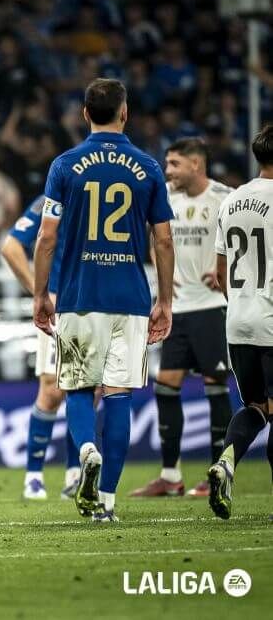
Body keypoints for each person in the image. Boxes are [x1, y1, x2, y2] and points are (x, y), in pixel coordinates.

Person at [32, 78, 175, 522]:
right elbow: (165, 241)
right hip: (131, 299)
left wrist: (40, 293)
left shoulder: (65, 165)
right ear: (125, 113)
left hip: (78, 296)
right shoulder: (149, 167)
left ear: (84, 114)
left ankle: (86, 450)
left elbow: (46, 236)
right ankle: (108, 503)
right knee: (118, 396)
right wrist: (165, 300)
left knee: (76, 387)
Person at [130, 138, 235, 498]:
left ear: (196, 164)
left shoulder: (225, 198)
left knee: (215, 388)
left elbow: (252, 241)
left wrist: (227, 270)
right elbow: (154, 237)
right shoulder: (168, 199)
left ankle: (218, 475)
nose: (168, 170)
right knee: (166, 387)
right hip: (177, 308)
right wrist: (163, 273)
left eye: (174, 164)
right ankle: (171, 476)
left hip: (211, 307)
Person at [207, 124, 273, 520]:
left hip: (239, 322)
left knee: (256, 405)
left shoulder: (232, 200)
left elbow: (220, 272)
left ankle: (227, 461)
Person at [1, 196, 81, 500]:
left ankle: (76, 474)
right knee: (51, 389)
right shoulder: (53, 201)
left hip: (95, 304)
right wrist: (41, 291)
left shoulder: (99, 194)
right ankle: (33, 476)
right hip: (60, 308)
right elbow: (10, 246)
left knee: (87, 390)